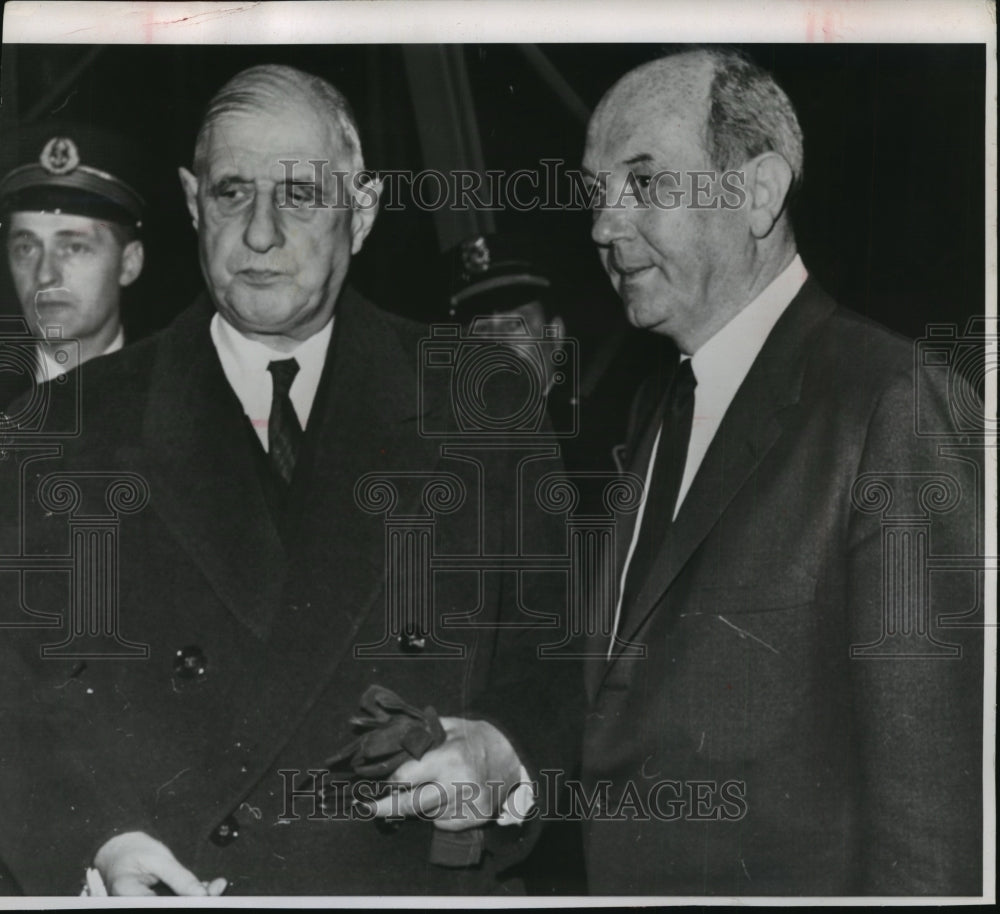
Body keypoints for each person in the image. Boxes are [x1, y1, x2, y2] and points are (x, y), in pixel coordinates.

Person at [0, 64, 578, 896]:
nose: (261, 234)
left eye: (300, 196)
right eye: (233, 193)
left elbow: (558, 666)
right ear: (193, 204)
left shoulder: (481, 405)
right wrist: (99, 843)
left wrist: (508, 757)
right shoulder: (59, 431)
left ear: (363, 210)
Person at [579, 49, 983, 895]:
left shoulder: (890, 403)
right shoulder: (664, 412)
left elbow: (933, 820)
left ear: (758, 192)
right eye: (596, 193)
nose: (603, 228)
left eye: (645, 183)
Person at [0, 124, 144, 411]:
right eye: (26, 248)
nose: (44, 275)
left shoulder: (177, 403)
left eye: (74, 248)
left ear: (129, 263)